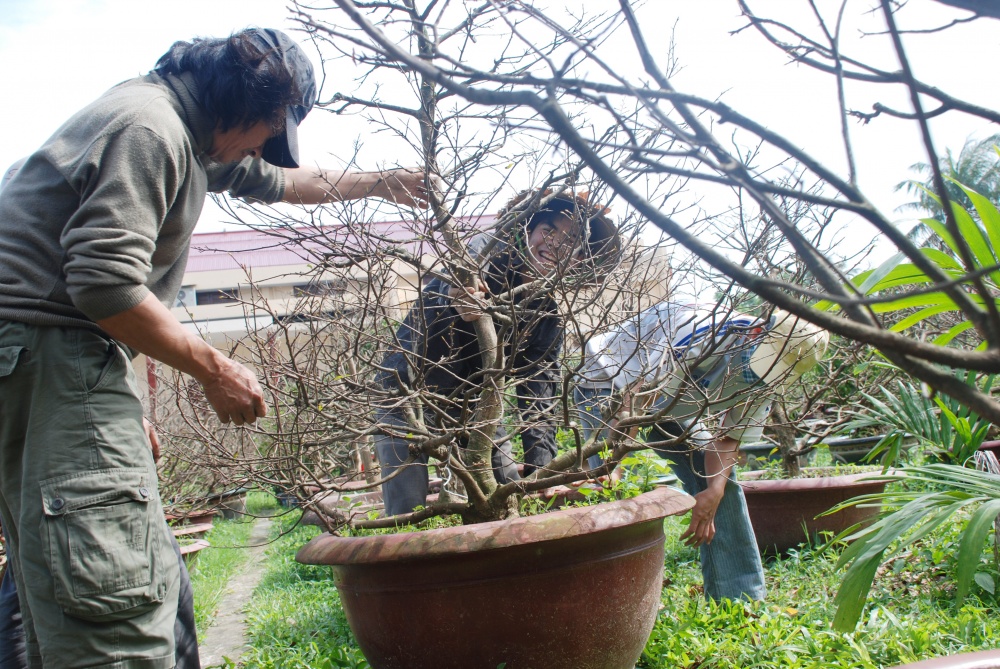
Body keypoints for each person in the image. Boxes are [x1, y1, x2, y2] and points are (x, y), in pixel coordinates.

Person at [0, 28, 432, 668]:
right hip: (55, 357)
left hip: (47, 362)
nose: (263, 149)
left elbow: (290, 183)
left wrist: (382, 183)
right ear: (241, 104)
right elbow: (105, 282)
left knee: (71, 575)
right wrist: (213, 365)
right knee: (110, 596)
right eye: (267, 132)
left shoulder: (189, 129)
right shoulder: (151, 131)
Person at [375, 188, 622, 516]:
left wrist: (541, 473)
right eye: (549, 230)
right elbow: (449, 294)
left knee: (505, 495)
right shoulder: (480, 264)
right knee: (406, 508)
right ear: (526, 230)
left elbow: (539, 398)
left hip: (476, 407)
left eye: (571, 241)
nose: (554, 245)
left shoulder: (544, 318)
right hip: (406, 395)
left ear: (578, 259)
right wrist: (458, 302)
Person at [574, 302, 829, 601]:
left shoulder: (768, 376)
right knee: (606, 487)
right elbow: (636, 398)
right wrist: (612, 459)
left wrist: (713, 492)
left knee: (721, 484)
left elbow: (728, 439)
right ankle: (608, 600)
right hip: (609, 376)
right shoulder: (706, 336)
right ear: (758, 333)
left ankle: (738, 599)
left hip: (668, 399)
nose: (763, 373)